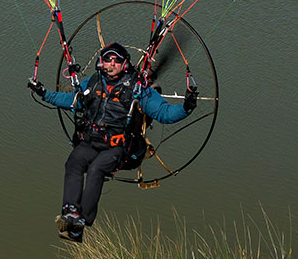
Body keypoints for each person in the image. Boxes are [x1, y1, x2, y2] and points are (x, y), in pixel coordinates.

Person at [31, 41, 196, 241]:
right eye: (107, 59)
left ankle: (82, 220)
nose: (111, 63)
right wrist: (44, 94)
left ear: (125, 63)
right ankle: (70, 212)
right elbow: (72, 101)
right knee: (74, 161)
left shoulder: (138, 88)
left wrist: (186, 108)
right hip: (91, 142)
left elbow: (164, 113)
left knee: (96, 169)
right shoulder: (93, 82)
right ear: (101, 62)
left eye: (116, 60)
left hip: (119, 149)